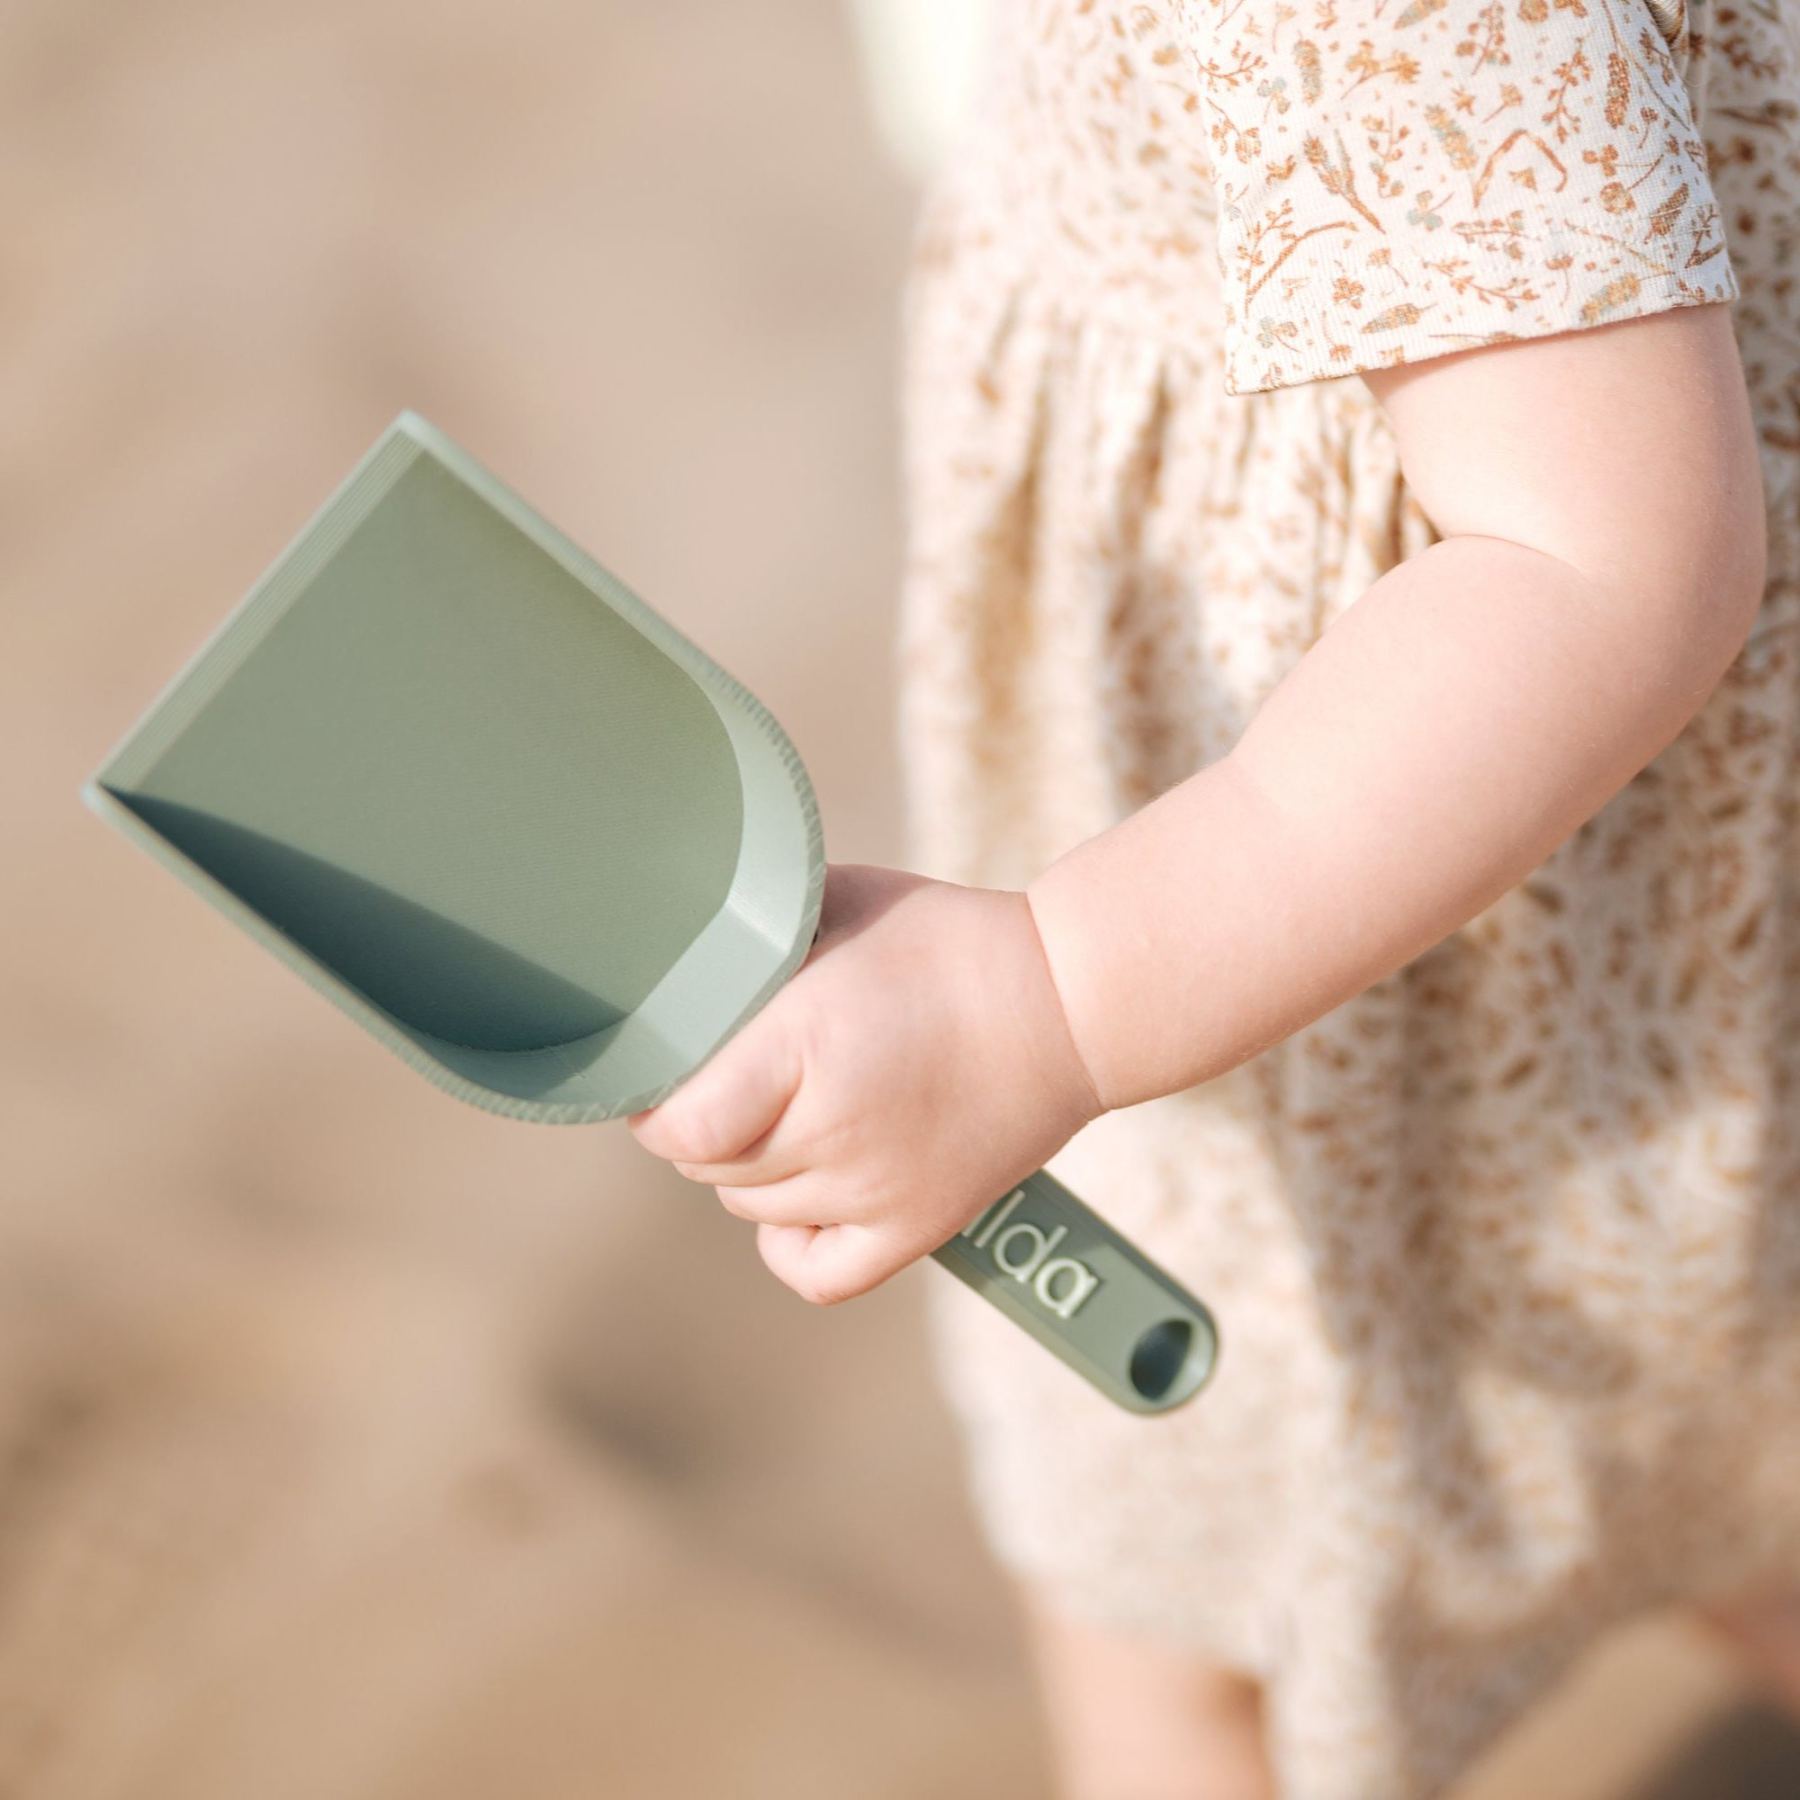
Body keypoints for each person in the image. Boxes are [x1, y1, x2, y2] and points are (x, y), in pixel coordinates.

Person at [628, 1, 1800, 1793]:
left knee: (1178, 1630)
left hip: (1345, 904)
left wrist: (1049, 993)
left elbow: (1602, 557)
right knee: (1712, 1467)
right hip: (1463, 842)